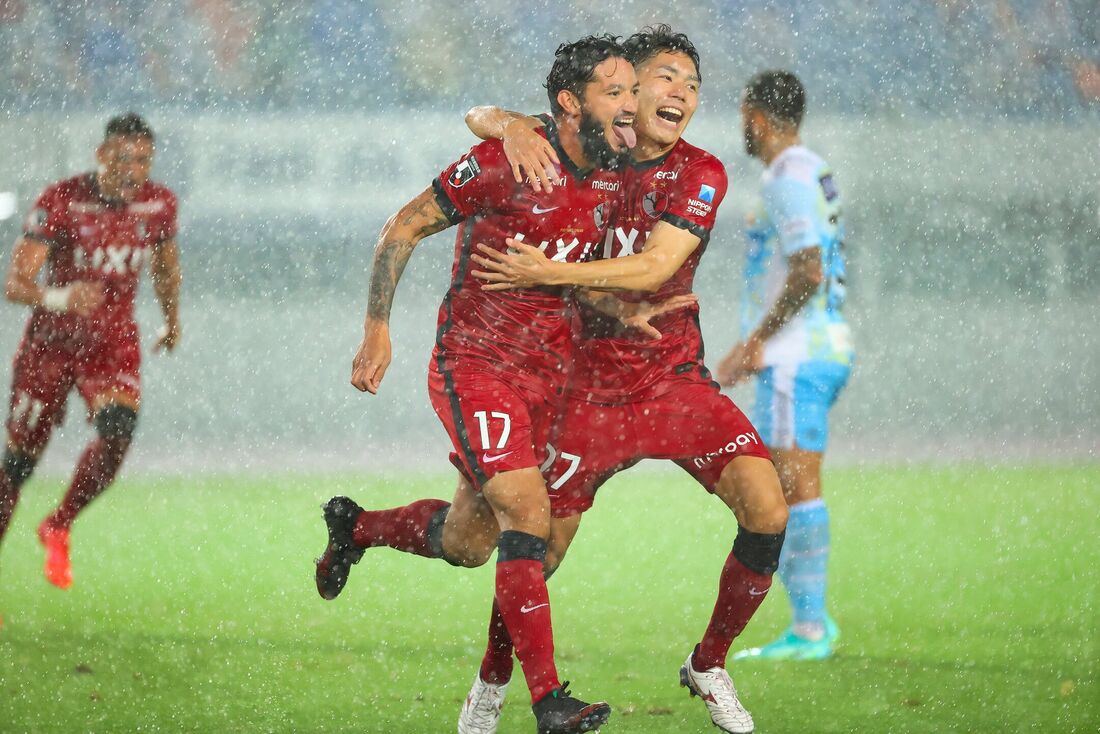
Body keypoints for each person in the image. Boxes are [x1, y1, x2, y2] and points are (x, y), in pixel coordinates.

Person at [461, 26, 789, 734]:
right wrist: (512, 124)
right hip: (582, 389)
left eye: (694, 85)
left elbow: (652, 269)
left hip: (673, 382)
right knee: (532, 546)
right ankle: (489, 687)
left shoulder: (701, 172)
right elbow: (479, 117)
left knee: (767, 511)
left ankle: (709, 663)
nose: (682, 94)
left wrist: (550, 273)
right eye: (666, 78)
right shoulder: (581, 153)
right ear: (628, 91)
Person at [315, 35, 638, 734]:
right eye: (615, 93)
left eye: (632, 92)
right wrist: (377, 327)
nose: (629, 106)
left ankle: (357, 528)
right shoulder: (506, 163)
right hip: (476, 366)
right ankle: (546, 700)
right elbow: (403, 226)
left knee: (469, 543)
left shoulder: (618, 165)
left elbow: (488, 111)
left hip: (551, 374)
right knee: (530, 514)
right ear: (569, 103)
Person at [0, 113, 181, 593]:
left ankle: (59, 522)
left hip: (112, 344)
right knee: (17, 464)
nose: (133, 169)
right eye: (123, 158)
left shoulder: (158, 204)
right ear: (101, 155)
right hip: (51, 348)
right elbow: (15, 284)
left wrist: (171, 319)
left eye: (142, 160)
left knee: (118, 432)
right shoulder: (61, 201)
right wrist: (59, 297)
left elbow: (165, 268)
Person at [714, 70, 853, 662]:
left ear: (758, 117)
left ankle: (810, 628)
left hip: (798, 355)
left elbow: (808, 269)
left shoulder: (785, 177)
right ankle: (810, 622)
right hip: (819, 348)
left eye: (744, 114)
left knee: (792, 490)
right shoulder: (812, 168)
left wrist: (756, 341)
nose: (742, 125)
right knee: (786, 484)